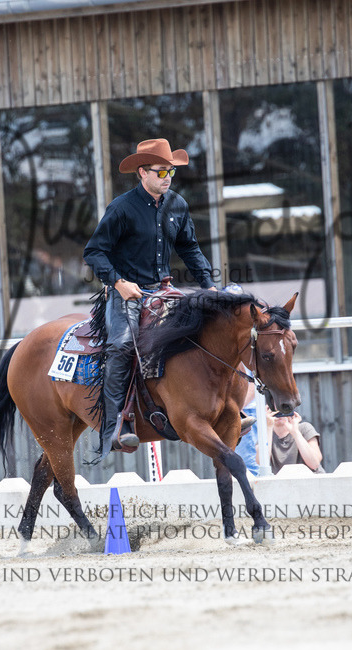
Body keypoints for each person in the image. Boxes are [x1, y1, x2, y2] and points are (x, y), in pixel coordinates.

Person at [83, 138, 216, 461]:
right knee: (121, 345)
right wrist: (118, 283)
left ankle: (222, 410)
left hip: (164, 288)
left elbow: (189, 248)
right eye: (161, 171)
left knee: (206, 330)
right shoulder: (122, 207)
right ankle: (114, 425)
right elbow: (94, 252)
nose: (167, 176)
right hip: (127, 290)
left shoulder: (178, 205)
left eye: (171, 170)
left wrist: (209, 286)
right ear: (142, 172)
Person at [266, 409, 324, 474]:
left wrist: (296, 433)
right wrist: (268, 427)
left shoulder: (304, 428)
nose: (279, 413)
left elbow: (314, 464)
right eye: (275, 410)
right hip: (282, 482)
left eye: (282, 409)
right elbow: (261, 462)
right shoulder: (266, 434)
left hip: (311, 480)